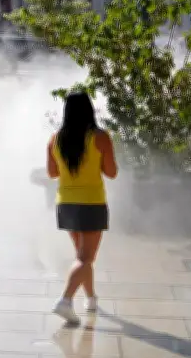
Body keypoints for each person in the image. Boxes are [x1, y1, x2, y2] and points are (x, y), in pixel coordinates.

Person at [47, 92, 117, 324]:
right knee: (86, 258)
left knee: (82, 256)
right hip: (91, 203)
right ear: (89, 110)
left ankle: (91, 298)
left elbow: (52, 173)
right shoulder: (100, 137)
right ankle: (65, 301)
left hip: (65, 203)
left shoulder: (55, 139)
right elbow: (111, 172)